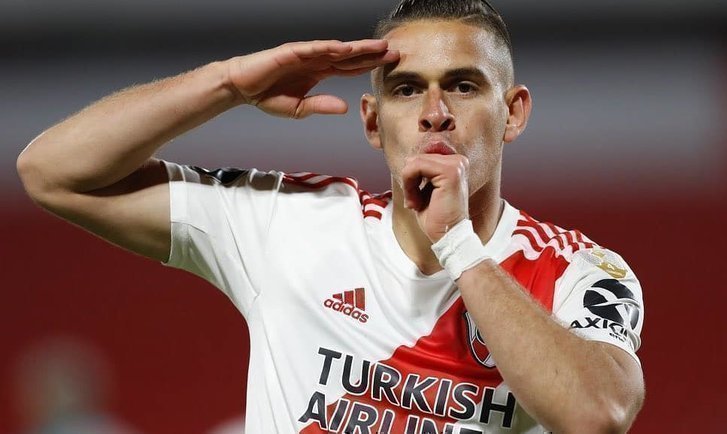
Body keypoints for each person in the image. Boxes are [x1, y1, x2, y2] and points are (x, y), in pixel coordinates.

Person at [16, 0, 645, 432]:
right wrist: (228, 84)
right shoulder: (292, 222)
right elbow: (51, 171)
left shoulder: (577, 272)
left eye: (463, 85)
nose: (435, 113)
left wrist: (458, 245)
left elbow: (598, 414)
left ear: (513, 113)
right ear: (373, 121)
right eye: (406, 89)